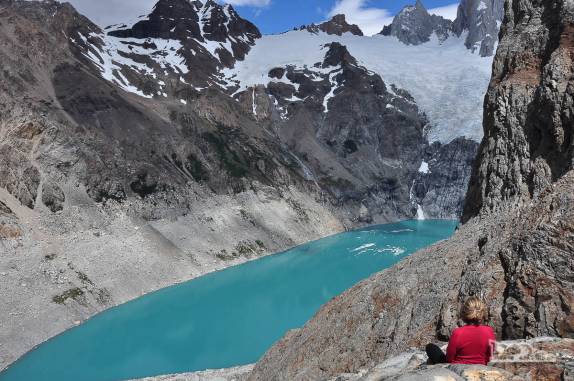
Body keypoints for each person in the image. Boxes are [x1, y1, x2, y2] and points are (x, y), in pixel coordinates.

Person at [426, 297, 496, 365]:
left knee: (430, 347)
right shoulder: (489, 331)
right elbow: (490, 356)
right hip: (481, 366)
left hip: (457, 367)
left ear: (464, 313)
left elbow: (449, 359)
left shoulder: (458, 332)